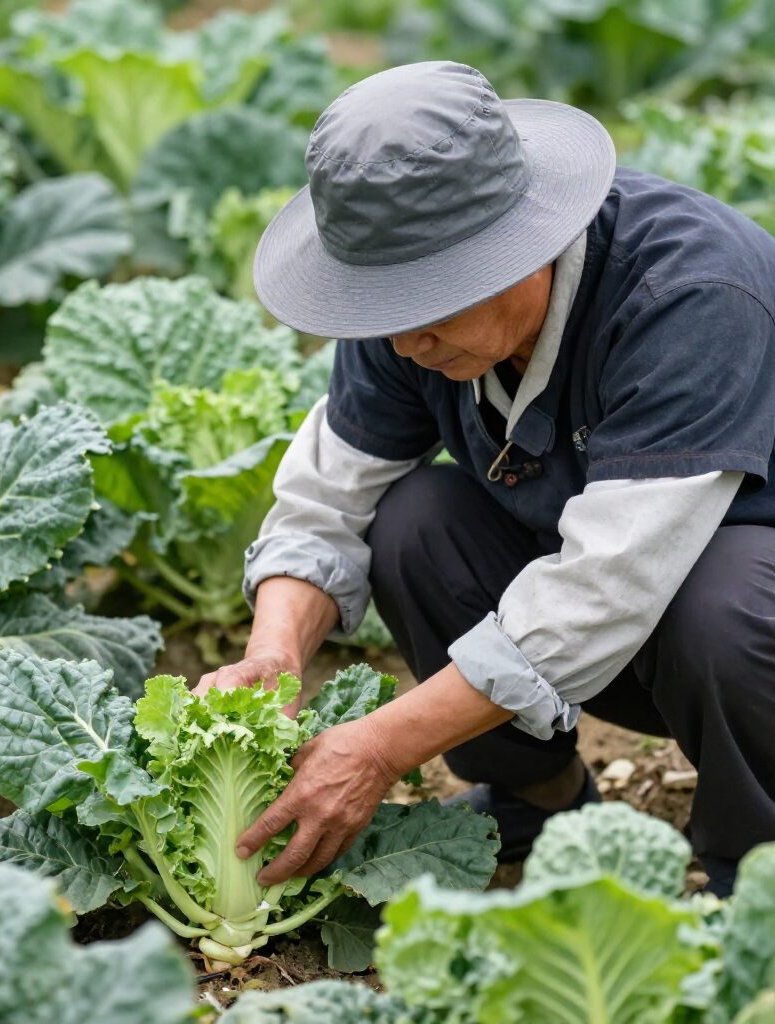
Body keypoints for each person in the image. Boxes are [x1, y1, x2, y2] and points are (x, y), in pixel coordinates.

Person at [193, 61, 775, 897]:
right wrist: (274, 655)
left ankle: (756, 877)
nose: (402, 345)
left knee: (724, 601)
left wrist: (381, 746)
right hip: (617, 627)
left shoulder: (689, 293)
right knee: (415, 519)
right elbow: (326, 501)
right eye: (384, 309)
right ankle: (537, 797)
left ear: (522, 245)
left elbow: (607, 587)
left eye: (428, 305)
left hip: (731, 634)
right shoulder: (401, 318)